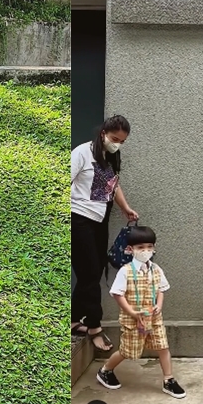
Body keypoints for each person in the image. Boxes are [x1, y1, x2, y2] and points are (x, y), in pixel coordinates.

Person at [71, 115, 140, 352]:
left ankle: (73, 318)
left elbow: (114, 185)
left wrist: (126, 208)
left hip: (100, 219)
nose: (117, 144)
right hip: (79, 218)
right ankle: (94, 326)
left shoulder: (110, 157)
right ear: (103, 134)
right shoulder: (82, 153)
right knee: (90, 271)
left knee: (96, 268)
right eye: (114, 138)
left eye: (122, 141)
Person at [94, 225, 186, 399]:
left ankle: (169, 379)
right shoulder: (126, 271)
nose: (146, 251)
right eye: (141, 248)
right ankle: (105, 370)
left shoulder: (156, 269)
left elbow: (161, 289)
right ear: (130, 249)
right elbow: (117, 294)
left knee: (163, 346)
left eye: (149, 247)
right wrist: (132, 312)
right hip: (133, 320)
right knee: (127, 351)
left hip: (154, 317)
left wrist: (159, 304)